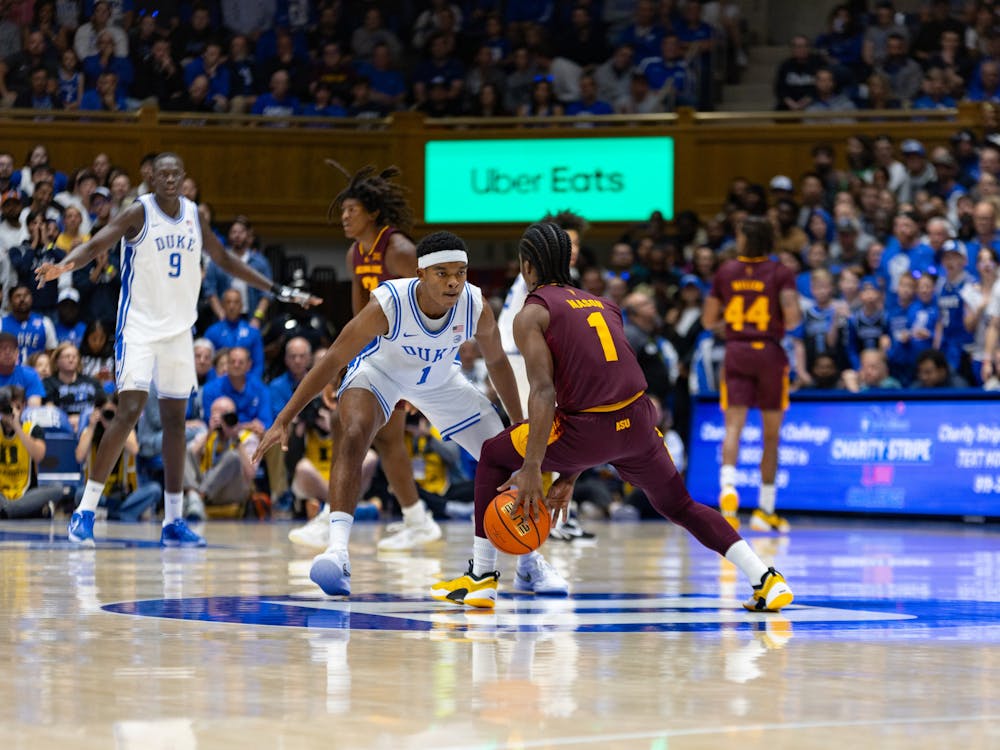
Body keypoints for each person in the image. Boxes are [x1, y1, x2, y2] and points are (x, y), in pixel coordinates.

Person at [432, 223, 793, 612]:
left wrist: (534, 467)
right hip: (637, 423)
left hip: (585, 428)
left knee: (493, 453)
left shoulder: (531, 313)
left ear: (527, 266)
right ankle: (765, 577)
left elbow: (543, 392)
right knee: (681, 506)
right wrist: (570, 474)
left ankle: (482, 578)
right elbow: (609, 387)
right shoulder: (604, 304)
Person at [254, 231, 568, 599]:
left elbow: (497, 362)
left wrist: (519, 427)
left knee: (504, 455)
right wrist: (284, 419)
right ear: (421, 273)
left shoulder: (474, 304)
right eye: (442, 273)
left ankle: (529, 561)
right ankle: (337, 553)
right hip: (381, 374)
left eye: (461, 272)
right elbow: (336, 357)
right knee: (353, 430)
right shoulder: (390, 303)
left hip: (440, 381)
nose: (453, 281)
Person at [35, 152, 320, 548]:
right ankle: (84, 511)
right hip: (138, 327)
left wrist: (277, 290)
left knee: (175, 421)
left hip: (178, 333)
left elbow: (222, 259)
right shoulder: (139, 212)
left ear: (184, 178)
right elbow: (100, 240)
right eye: (162, 174)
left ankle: (173, 520)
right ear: (150, 177)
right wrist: (64, 265)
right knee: (130, 410)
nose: (170, 180)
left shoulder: (193, 215)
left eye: (176, 174)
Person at [288, 163, 436, 553]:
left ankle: (333, 516)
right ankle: (417, 519)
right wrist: (349, 364)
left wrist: (421, 361)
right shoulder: (356, 253)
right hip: (378, 355)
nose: (344, 217)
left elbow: (434, 303)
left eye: (351, 210)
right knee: (386, 441)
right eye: (342, 211)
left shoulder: (400, 251)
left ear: (372, 213)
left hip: (407, 356)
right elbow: (359, 318)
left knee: (352, 428)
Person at [496, 209, 594, 542]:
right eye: (568, 241)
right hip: (520, 360)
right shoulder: (540, 276)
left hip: (527, 360)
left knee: (550, 437)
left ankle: (556, 516)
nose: (573, 248)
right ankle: (543, 517)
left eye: (577, 242)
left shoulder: (563, 276)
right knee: (544, 438)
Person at [701, 216, 802, 533]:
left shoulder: (726, 271)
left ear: (744, 239)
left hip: (736, 351)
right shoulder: (780, 272)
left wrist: (731, 325)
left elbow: (707, 321)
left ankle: (728, 495)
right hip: (769, 352)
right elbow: (795, 318)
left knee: (733, 428)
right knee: (771, 435)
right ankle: (766, 509)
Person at [76, 391, 160, 523]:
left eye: (113, 413)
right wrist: (92, 426)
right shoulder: (89, 432)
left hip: (123, 494)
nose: (109, 416)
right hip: (97, 494)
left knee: (154, 490)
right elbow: (79, 456)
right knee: (80, 493)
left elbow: (134, 449)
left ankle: (111, 514)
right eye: (106, 413)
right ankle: (122, 514)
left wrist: (118, 425)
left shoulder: (126, 430)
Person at [0, 384, 62, 519]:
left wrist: (17, 427)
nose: (11, 411)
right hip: (2, 493)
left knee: (57, 489)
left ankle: (8, 511)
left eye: (16, 406)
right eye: (7, 407)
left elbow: (39, 456)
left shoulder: (33, 428)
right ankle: (16, 511)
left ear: (23, 406)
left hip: (27, 494)